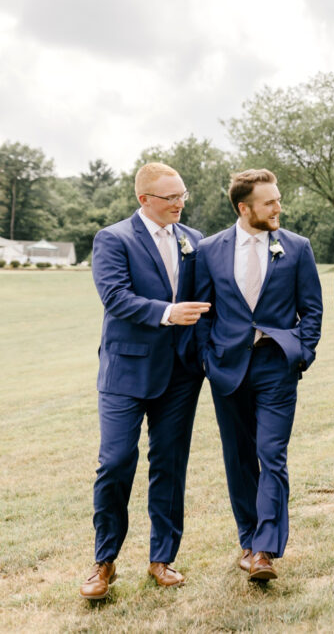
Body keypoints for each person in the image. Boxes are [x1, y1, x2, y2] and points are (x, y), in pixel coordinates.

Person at [81, 162, 208, 599]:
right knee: (115, 462)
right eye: (170, 197)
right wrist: (167, 313)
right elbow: (115, 297)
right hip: (126, 370)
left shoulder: (194, 240)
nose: (179, 203)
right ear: (144, 200)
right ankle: (104, 562)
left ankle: (162, 559)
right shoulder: (113, 239)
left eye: (182, 195)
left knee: (170, 465)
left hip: (181, 372)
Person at [194, 169, 323, 581]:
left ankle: (265, 550)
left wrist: (301, 353)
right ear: (244, 207)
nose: (278, 207)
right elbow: (201, 310)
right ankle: (247, 539)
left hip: (276, 365)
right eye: (270, 202)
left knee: (272, 455)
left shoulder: (297, 248)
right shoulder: (209, 249)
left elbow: (313, 309)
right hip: (226, 367)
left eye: (278, 199)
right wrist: (206, 361)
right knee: (239, 458)